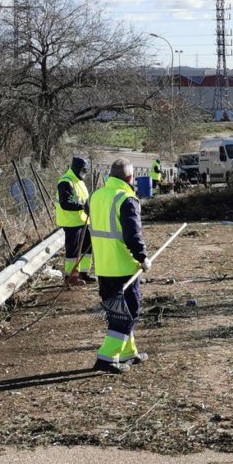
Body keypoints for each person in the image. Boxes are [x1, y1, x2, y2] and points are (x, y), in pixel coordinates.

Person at [88, 158, 150, 375]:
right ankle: (106, 357)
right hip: (123, 267)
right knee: (127, 313)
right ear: (130, 178)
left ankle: (127, 352)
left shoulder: (96, 196)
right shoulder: (126, 199)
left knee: (119, 312)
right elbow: (133, 235)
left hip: (103, 266)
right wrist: (142, 257)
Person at [54, 155, 94, 287]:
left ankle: (84, 273)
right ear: (77, 168)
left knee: (87, 248)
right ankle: (71, 277)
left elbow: (84, 199)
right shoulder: (66, 182)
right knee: (73, 251)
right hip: (71, 223)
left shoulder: (79, 181)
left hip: (83, 221)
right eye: (83, 170)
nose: (85, 172)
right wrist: (82, 206)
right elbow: (65, 204)